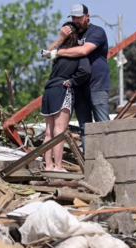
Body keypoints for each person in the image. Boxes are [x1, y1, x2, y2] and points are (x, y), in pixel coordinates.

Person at [42, 4, 111, 152]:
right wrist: (61, 38)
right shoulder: (73, 35)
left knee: (103, 125)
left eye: (79, 18)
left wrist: (59, 52)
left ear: (87, 17)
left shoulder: (97, 31)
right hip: (78, 87)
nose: (76, 21)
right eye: (73, 17)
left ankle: (110, 160)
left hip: (96, 85)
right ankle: (89, 163)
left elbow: (84, 50)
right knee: (84, 127)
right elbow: (47, 53)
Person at [40, 21, 91, 172]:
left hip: (48, 91)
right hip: (62, 89)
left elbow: (47, 52)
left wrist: (60, 38)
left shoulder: (58, 51)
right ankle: (58, 167)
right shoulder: (77, 52)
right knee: (60, 131)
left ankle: (48, 166)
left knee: (49, 132)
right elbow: (85, 71)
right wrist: (72, 81)